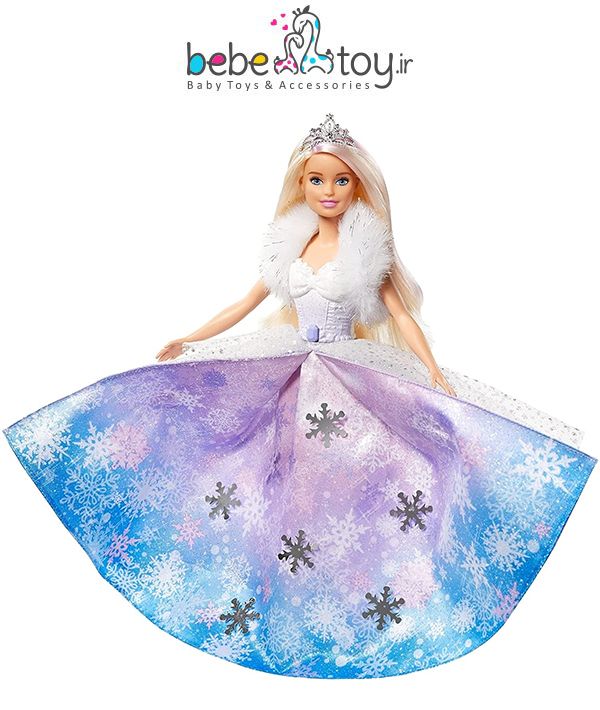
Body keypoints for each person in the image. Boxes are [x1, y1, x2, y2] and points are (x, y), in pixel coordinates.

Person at [3, 114, 596, 679]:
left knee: (358, 479)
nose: (328, 191)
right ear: (301, 184)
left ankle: (354, 590)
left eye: (340, 180)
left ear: (358, 185)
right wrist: (192, 338)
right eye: (317, 180)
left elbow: (400, 315)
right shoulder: (289, 246)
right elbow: (244, 303)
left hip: (344, 374)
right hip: (291, 369)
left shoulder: (368, 250)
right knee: (268, 476)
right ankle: (280, 595)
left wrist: (432, 370)